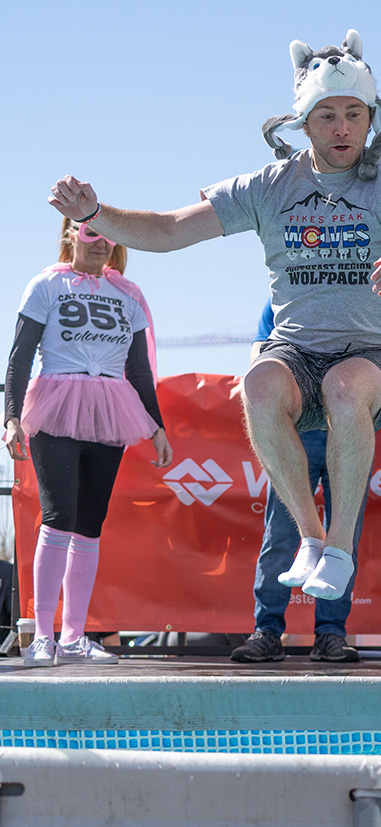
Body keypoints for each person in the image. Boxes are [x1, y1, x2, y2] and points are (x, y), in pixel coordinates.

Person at [47, 30, 381, 608]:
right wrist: (94, 212)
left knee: (344, 388)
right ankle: (311, 539)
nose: (342, 128)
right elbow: (168, 230)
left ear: (372, 120)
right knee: (258, 383)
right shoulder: (269, 187)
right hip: (295, 353)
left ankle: (340, 550)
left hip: (372, 354)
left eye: (354, 115)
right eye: (328, 116)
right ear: (304, 123)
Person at [5, 219, 172, 667]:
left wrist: (156, 427)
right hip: (56, 403)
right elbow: (20, 356)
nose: (102, 243)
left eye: (110, 234)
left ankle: (74, 637)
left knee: (90, 524)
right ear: (70, 235)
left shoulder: (128, 295)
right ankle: (42, 637)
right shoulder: (46, 285)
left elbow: (139, 369)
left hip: (110, 408)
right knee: (58, 517)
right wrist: (12, 417)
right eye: (91, 233)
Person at [231, 302, 381, 663]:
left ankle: (331, 634)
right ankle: (267, 631)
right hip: (299, 434)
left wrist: (358, 367)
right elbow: (260, 350)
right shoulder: (286, 299)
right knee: (280, 535)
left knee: (342, 537)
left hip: (348, 436)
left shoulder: (359, 300)